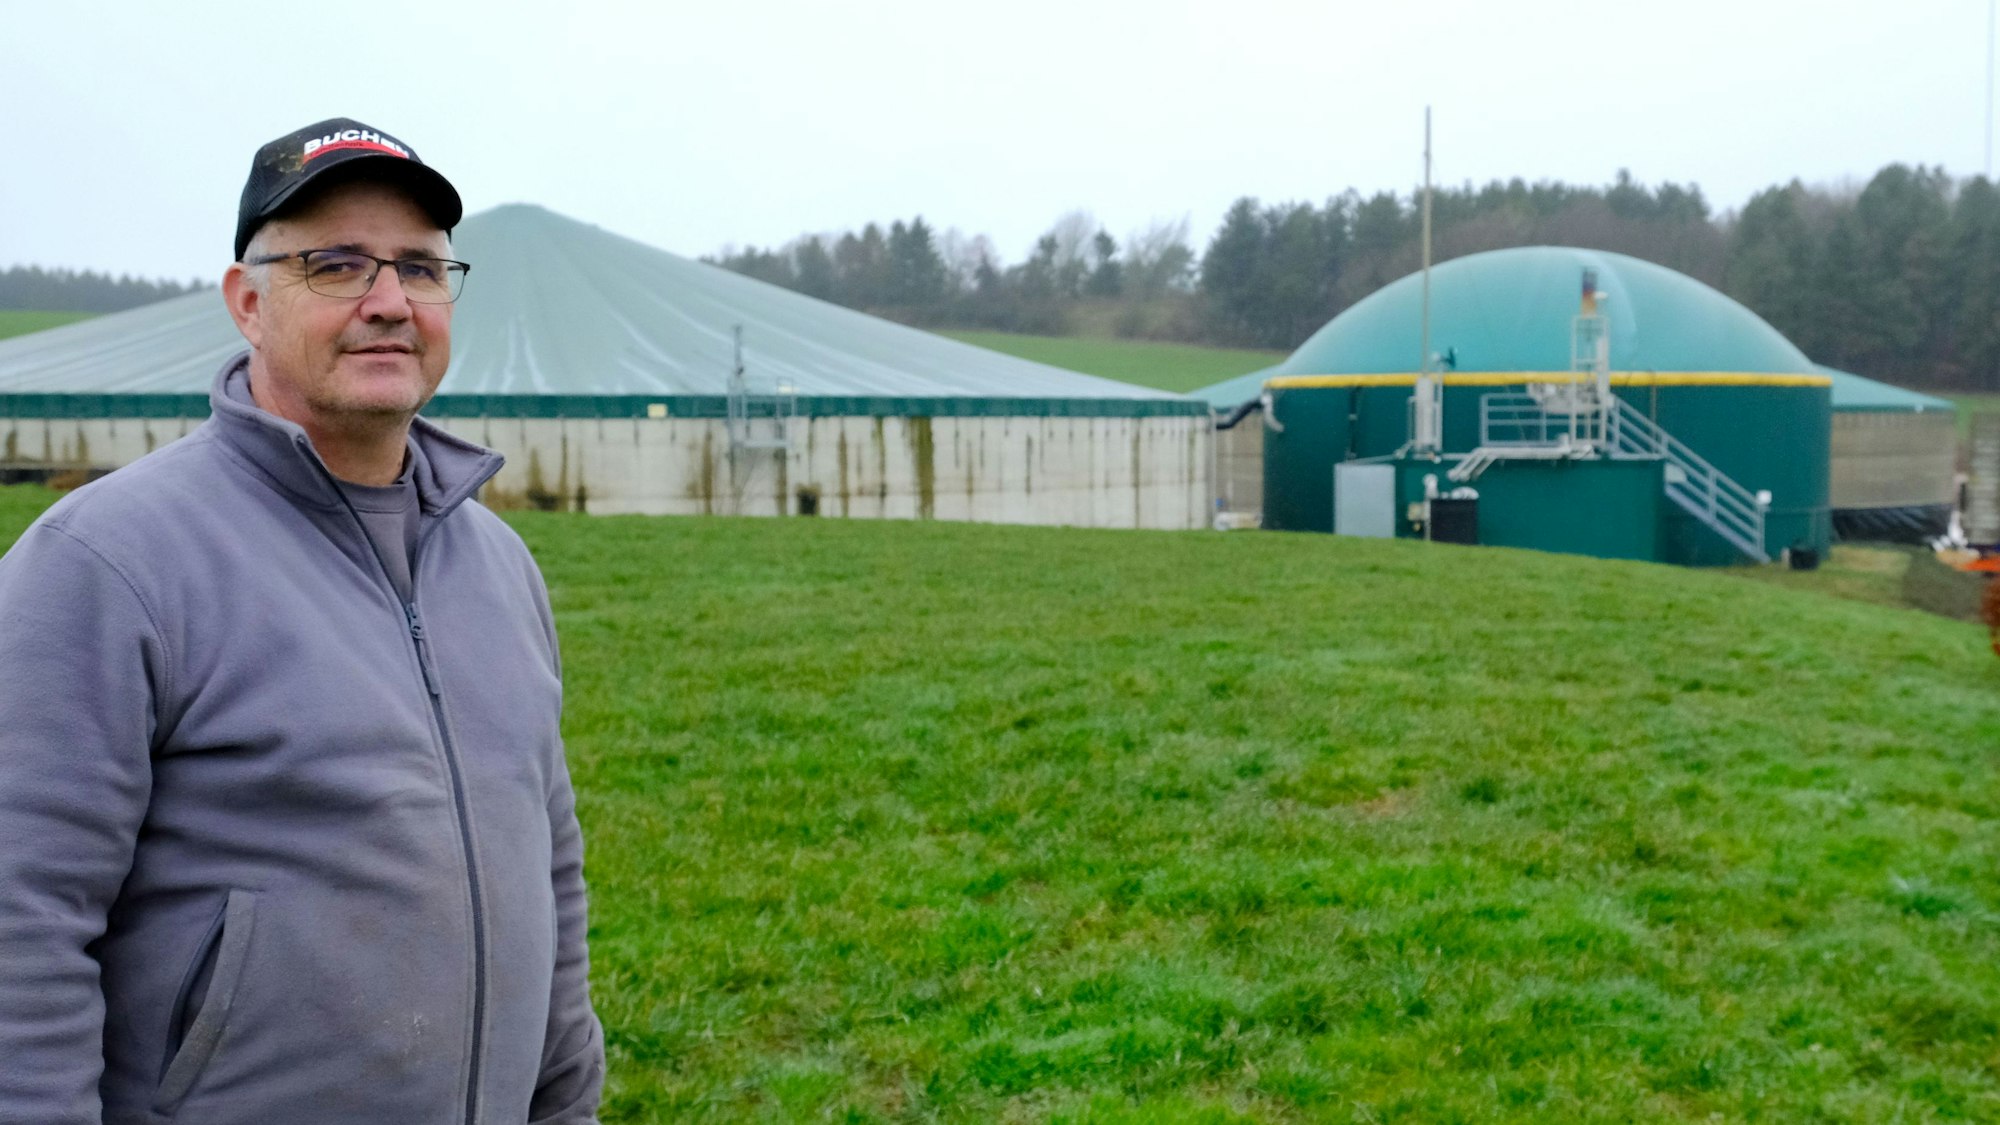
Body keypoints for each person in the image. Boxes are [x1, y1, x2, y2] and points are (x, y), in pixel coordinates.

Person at [0, 118, 603, 1124]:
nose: (387, 304)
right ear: (248, 302)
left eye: (419, 268)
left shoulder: (498, 566)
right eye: (335, 265)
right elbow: (19, 922)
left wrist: (565, 1102)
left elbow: (549, 868)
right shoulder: (110, 564)